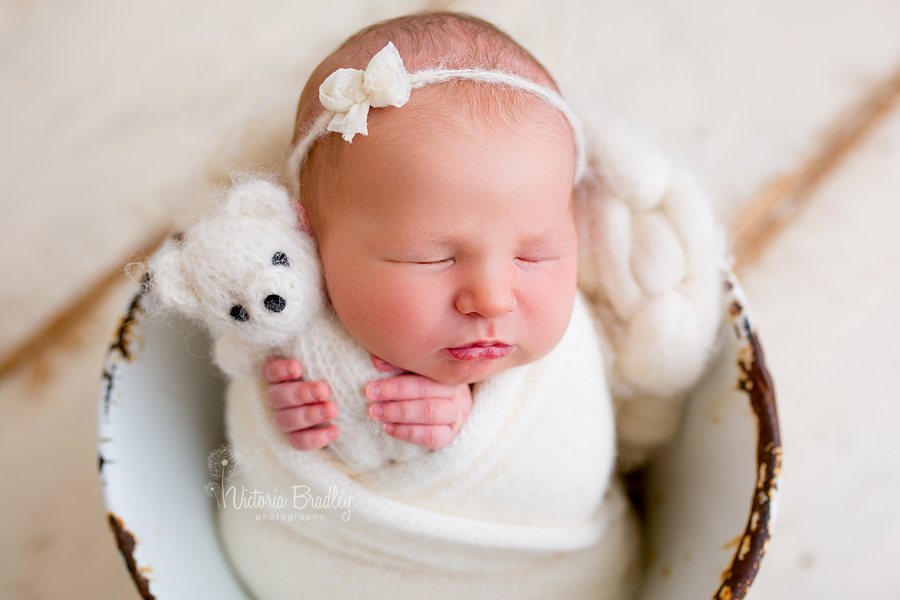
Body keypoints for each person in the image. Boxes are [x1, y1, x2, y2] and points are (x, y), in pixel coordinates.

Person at [219, 11, 723, 600]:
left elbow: (571, 468)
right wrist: (285, 416)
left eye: (535, 255)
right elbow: (261, 462)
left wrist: (469, 429)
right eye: (428, 258)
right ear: (310, 239)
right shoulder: (281, 305)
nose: (492, 297)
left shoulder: (563, 357)